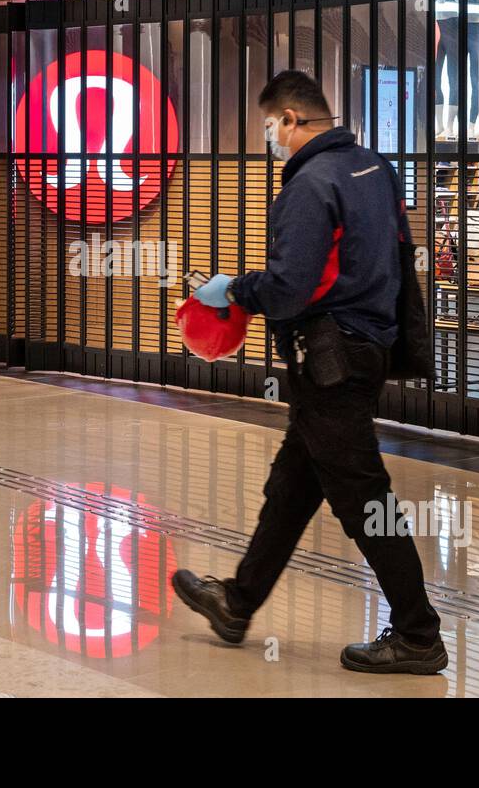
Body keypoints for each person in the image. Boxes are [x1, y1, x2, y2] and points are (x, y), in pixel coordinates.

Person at [171, 70, 447, 675]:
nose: (269, 140)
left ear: (292, 120)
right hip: (365, 349)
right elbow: (397, 262)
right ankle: (237, 603)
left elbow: (293, 287)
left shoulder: (308, 183)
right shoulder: (374, 168)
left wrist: (233, 291)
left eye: (269, 128)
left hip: (328, 359)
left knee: (364, 499)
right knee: (291, 489)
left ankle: (419, 635)